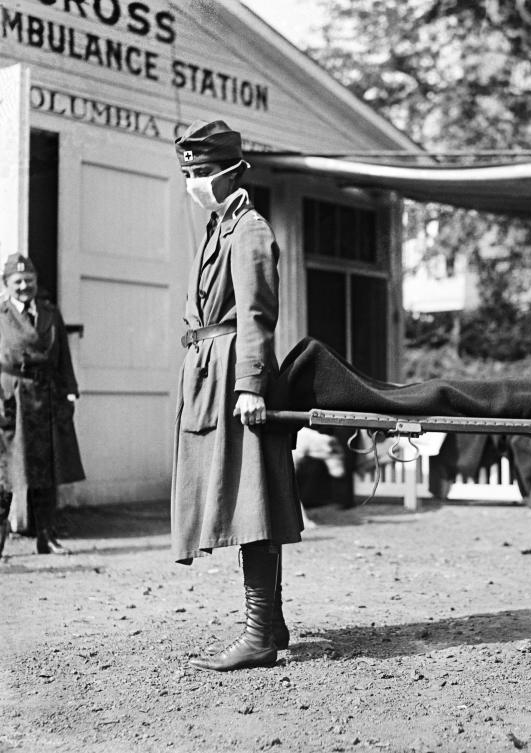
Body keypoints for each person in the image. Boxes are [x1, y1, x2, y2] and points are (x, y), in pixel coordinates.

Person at [171, 120, 302, 671]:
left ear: (230, 173)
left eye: (201, 173)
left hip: (234, 379)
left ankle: (258, 636)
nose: (194, 182)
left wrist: (250, 384)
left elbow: (256, 314)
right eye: (188, 173)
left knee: (252, 504)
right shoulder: (217, 227)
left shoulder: (248, 229)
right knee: (242, 500)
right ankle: (270, 624)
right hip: (209, 374)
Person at [0, 254, 85, 557]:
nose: (25, 286)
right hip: (11, 398)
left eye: (29, 281)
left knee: (46, 471)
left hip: (46, 397)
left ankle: (45, 537)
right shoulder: (1, 315)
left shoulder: (50, 313)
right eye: (18, 282)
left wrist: (70, 392)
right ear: (7, 285)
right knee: (5, 472)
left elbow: (63, 359)